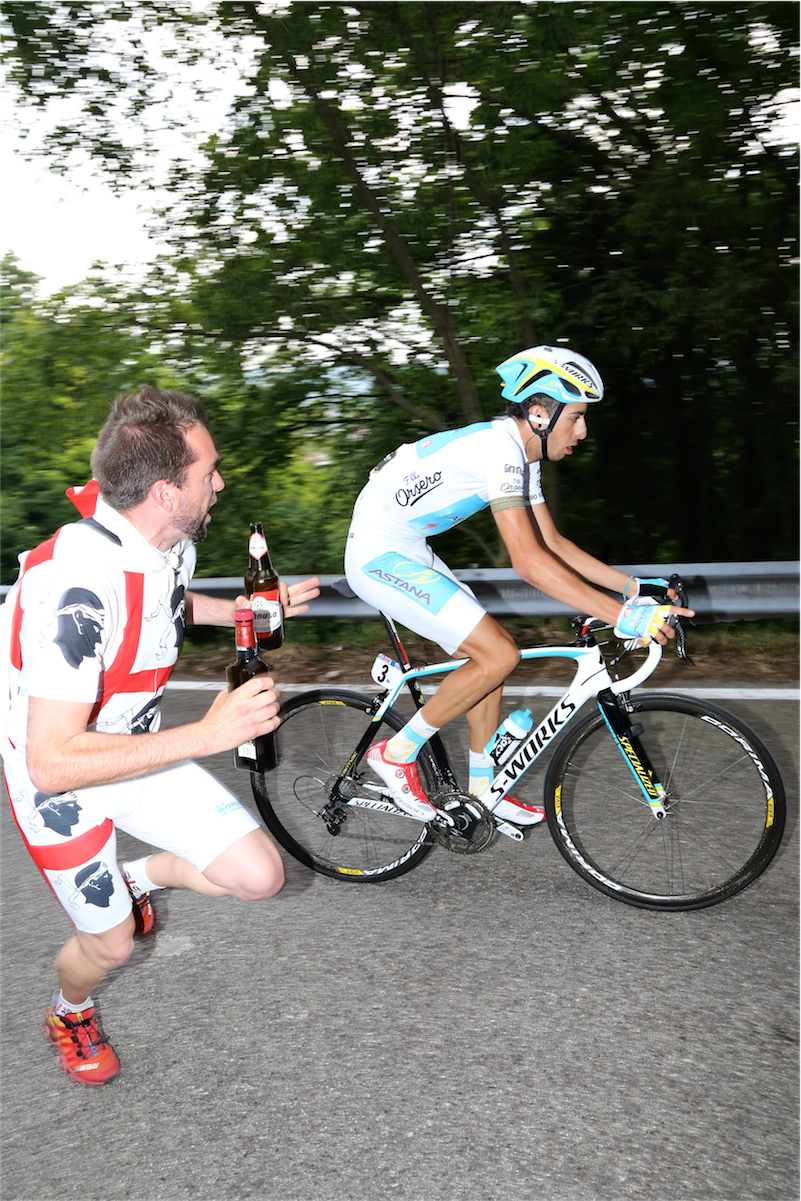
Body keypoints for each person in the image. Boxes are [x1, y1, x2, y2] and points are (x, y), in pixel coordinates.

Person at [2, 386, 320, 1085]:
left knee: (260, 876)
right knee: (111, 945)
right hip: (61, 778)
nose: (220, 482)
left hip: (136, 748)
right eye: (208, 471)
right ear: (162, 491)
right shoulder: (76, 585)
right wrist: (210, 733)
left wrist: (239, 609)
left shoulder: (162, 542)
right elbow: (53, 761)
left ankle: (131, 881)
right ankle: (68, 1009)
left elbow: (167, 598)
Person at [345, 344, 694, 823]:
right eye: (576, 417)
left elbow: (552, 543)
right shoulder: (499, 450)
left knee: (488, 659)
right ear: (539, 413)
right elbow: (528, 563)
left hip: (408, 547)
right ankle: (397, 753)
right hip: (376, 553)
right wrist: (622, 615)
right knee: (499, 653)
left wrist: (635, 590)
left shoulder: (521, 457)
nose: (584, 431)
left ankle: (482, 790)